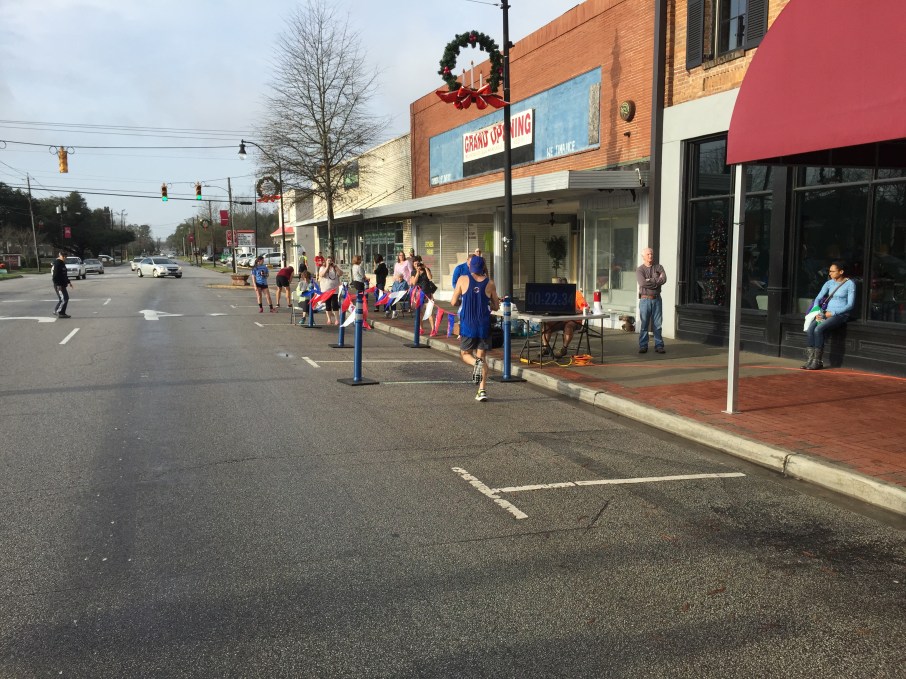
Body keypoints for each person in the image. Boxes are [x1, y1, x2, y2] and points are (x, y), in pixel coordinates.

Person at [450, 256, 500, 402]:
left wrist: (463, 301)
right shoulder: (490, 283)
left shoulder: (462, 279)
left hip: (468, 324)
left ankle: (475, 364)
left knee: (465, 354)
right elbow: (496, 306)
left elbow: (453, 302)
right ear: (483, 267)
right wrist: (488, 303)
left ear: (470, 266)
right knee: (482, 357)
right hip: (483, 324)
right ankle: (482, 390)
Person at [802, 260, 856, 370]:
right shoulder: (829, 283)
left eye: (832, 271)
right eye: (829, 271)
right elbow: (818, 298)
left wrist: (832, 313)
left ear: (841, 272)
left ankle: (817, 361)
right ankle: (810, 360)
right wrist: (818, 311)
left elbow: (850, 305)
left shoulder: (850, 284)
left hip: (840, 314)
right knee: (810, 329)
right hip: (825, 313)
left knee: (818, 329)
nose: (830, 273)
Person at [540, 277, 588, 359]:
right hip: (559, 320)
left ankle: (564, 349)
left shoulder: (576, 294)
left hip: (574, 321)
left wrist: (577, 310)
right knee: (546, 325)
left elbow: (585, 307)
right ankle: (546, 347)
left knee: (568, 326)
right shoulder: (555, 295)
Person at [636, 247, 667, 354]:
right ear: (643, 256)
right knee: (644, 324)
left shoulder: (658, 267)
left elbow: (664, 279)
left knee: (658, 324)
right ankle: (643, 345)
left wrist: (650, 280)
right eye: (648, 254)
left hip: (657, 299)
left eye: (651, 254)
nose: (650, 256)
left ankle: (659, 345)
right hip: (645, 300)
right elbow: (643, 283)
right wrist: (656, 280)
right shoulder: (640, 270)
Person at [409, 259, 436, 334]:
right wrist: (417, 272)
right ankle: (421, 328)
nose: (417, 265)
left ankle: (433, 329)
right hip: (418, 294)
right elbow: (414, 282)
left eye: (418, 264)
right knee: (420, 312)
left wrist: (426, 268)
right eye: (415, 264)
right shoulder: (413, 272)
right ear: (413, 265)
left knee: (430, 312)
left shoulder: (426, 269)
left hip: (427, 293)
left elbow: (430, 278)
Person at [318, 255, 343, 324]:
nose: (330, 262)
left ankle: (337, 319)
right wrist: (327, 266)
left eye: (331, 261)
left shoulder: (335, 268)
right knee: (328, 304)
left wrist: (335, 267)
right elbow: (322, 274)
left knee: (335, 304)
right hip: (326, 290)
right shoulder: (322, 268)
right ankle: (329, 319)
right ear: (325, 261)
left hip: (334, 290)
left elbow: (341, 273)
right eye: (328, 261)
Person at [51, 252, 73, 318]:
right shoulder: (57, 264)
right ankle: (58, 311)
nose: (65, 258)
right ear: (60, 256)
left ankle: (62, 312)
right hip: (59, 285)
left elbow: (64, 275)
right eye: (63, 256)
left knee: (65, 298)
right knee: (64, 299)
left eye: (65, 257)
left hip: (63, 284)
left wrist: (68, 282)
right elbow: (55, 276)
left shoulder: (62, 264)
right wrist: (58, 285)